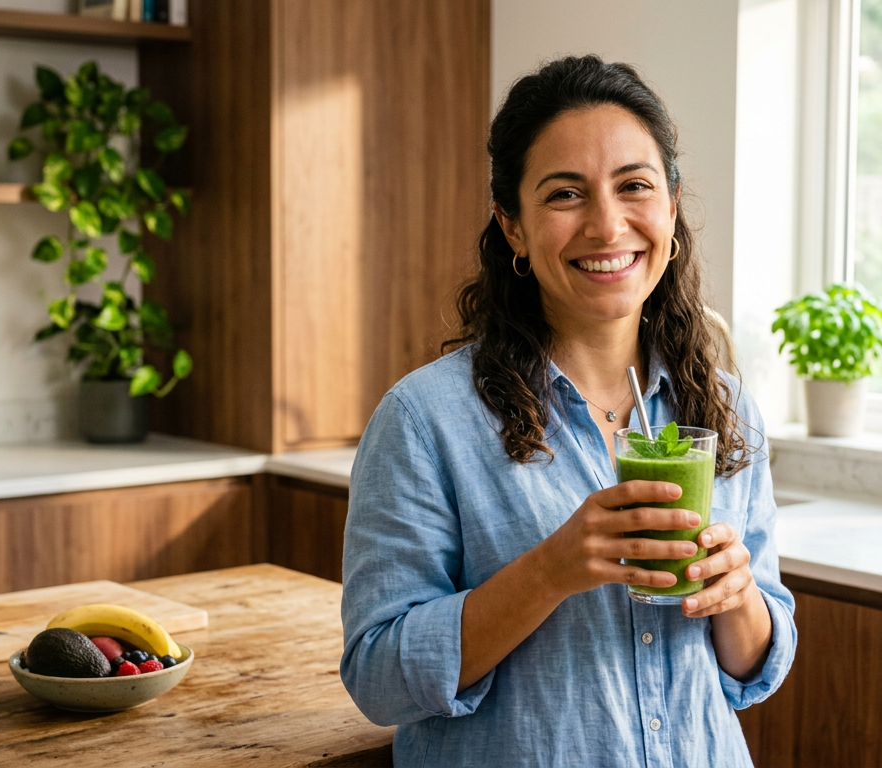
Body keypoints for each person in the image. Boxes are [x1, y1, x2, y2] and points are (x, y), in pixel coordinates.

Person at [340, 55, 795, 767]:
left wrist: (738, 596)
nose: (608, 225)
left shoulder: (726, 409)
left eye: (635, 186)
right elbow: (377, 677)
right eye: (564, 195)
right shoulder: (425, 419)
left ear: (670, 209)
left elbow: (756, 668)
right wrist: (550, 571)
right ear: (513, 227)